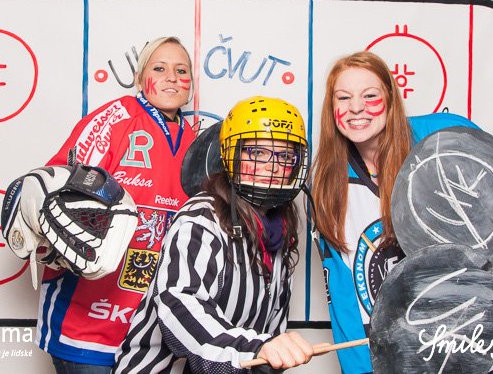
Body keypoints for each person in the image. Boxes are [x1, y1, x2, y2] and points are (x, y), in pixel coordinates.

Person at [310, 51, 493, 374]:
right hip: (420, 362)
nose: (356, 107)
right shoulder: (330, 183)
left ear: (391, 98)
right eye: (344, 97)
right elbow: (344, 292)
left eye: (369, 95)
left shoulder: (444, 136)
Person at [114, 96, 315, 373]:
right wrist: (255, 348)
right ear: (231, 156)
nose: (273, 166)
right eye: (257, 153)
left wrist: (270, 354)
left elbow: (270, 334)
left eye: (285, 156)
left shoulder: (279, 234)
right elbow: (180, 304)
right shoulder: (201, 218)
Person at [37, 36, 197, 374]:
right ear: (140, 78)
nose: (172, 77)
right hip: (87, 322)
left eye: (181, 70)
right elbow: (54, 191)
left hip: (150, 335)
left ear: (191, 85)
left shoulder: (195, 141)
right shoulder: (116, 118)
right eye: (159, 68)